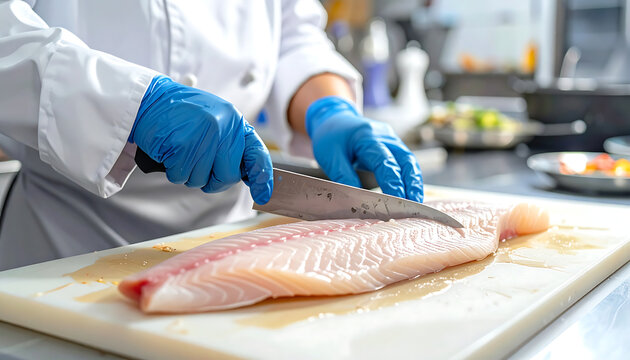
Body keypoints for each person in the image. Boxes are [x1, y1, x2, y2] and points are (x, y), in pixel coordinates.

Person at [0, 0, 423, 271]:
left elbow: (292, 35)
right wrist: (132, 105)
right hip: (64, 244)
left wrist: (330, 108)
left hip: (230, 240)